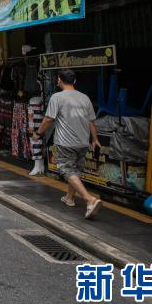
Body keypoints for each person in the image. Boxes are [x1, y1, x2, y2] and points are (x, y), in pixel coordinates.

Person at [33, 69, 102, 219]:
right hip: (83, 142)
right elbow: (91, 120)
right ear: (74, 81)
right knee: (75, 171)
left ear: (59, 80)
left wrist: (38, 133)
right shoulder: (85, 98)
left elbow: (49, 119)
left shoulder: (57, 97)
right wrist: (95, 139)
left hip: (66, 142)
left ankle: (89, 200)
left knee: (67, 170)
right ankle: (69, 198)